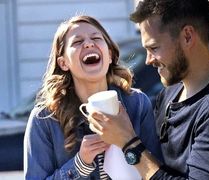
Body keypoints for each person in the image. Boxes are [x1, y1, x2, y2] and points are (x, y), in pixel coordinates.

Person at [88, 0, 209, 179]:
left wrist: (128, 143)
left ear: (187, 36)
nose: (148, 60)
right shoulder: (170, 93)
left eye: (154, 48)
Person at [24, 15, 162, 179]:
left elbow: (157, 171)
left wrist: (128, 142)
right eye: (77, 42)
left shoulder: (138, 104)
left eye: (96, 38)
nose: (89, 43)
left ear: (109, 55)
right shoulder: (44, 119)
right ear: (63, 63)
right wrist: (80, 164)